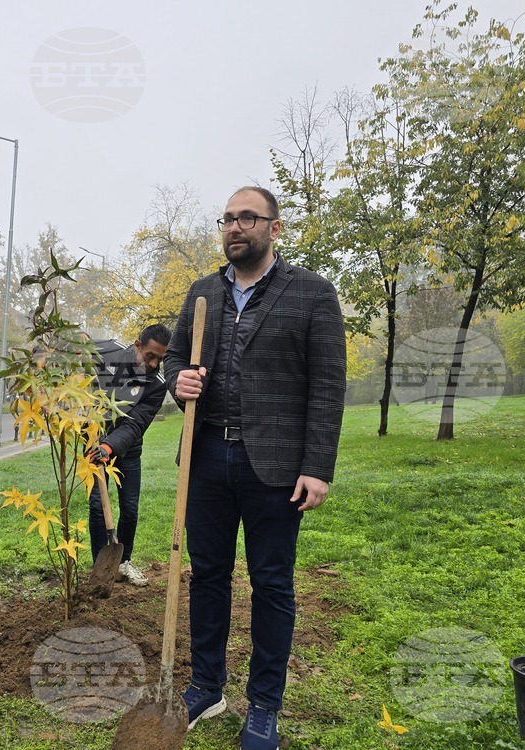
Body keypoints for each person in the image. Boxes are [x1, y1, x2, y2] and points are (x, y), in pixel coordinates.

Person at [163, 186, 346, 749]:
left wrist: (317, 466)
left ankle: (264, 703)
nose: (235, 227)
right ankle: (206, 686)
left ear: (275, 227)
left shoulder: (312, 293)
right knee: (208, 575)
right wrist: (178, 381)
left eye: (248, 217)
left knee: (271, 584)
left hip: (274, 465)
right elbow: (173, 358)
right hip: (206, 459)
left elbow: (327, 384)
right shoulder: (201, 293)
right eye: (227, 219)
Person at [87, 324, 172, 586]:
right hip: (93, 443)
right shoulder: (109, 353)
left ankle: (123, 561)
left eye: (160, 358)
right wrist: (77, 341)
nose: (154, 363)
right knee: (96, 507)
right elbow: (78, 347)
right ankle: (99, 567)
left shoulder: (157, 385)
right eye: (150, 356)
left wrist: (110, 446)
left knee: (130, 509)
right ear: (137, 345)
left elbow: (136, 424)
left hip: (128, 450)